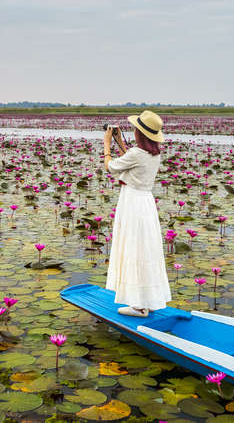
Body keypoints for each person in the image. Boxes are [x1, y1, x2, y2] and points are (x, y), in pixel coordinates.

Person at [103, 110, 171, 317]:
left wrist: (107, 144)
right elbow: (133, 159)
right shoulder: (153, 154)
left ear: (139, 133)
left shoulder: (136, 154)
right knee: (144, 250)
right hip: (146, 204)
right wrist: (120, 143)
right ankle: (145, 301)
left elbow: (111, 167)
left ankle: (139, 306)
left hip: (132, 203)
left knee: (133, 248)